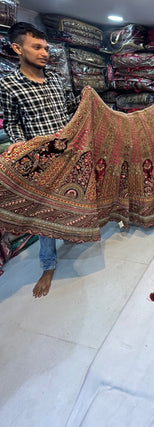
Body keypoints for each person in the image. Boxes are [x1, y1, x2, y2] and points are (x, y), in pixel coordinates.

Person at [0, 22, 78, 298]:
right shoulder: (8, 85)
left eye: (46, 47)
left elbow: (70, 113)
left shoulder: (56, 78)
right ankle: (48, 265)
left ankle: (74, 233)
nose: (45, 52)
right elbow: (13, 124)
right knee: (45, 216)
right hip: (40, 161)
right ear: (17, 48)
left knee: (74, 199)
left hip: (68, 155)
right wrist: (26, 150)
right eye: (37, 47)